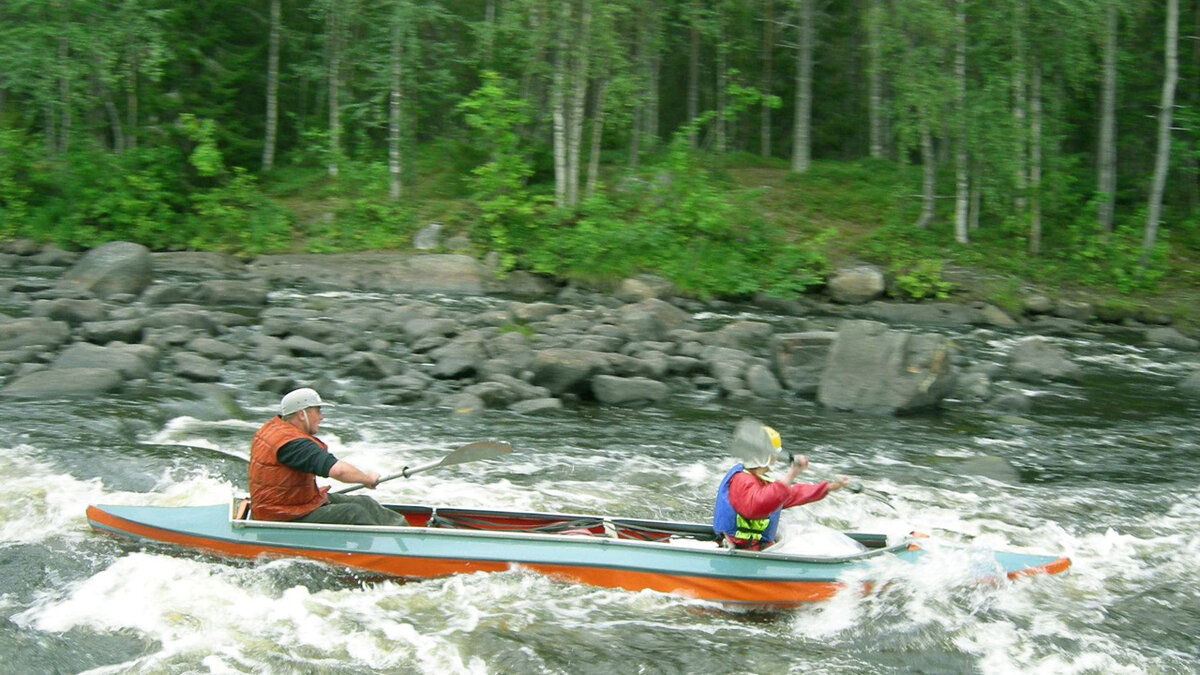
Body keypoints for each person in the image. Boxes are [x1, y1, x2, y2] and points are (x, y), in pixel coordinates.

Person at [249, 387, 409, 526]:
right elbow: (338, 471)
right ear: (301, 414)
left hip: (291, 504)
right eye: (317, 411)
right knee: (353, 513)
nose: (321, 417)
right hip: (282, 514)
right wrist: (366, 479)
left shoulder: (274, 428)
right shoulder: (294, 444)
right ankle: (385, 552)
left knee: (366, 503)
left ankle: (407, 536)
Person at [713, 418, 850, 550]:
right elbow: (758, 505)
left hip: (756, 547)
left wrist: (826, 487)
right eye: (774, 455)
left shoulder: (760, 479)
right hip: (743, 549)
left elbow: (790, 494)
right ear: (765, 456)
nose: (776, 459)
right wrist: (791, 474)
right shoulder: (742, 480)